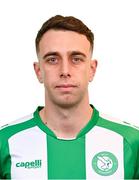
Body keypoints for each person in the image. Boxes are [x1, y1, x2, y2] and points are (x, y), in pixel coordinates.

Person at [0, 15, 139, 180]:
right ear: (38, 71)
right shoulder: (5, 141)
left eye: (76, 59)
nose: (65, 70)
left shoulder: (131, 142)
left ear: (92, 69)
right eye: (52, 59)